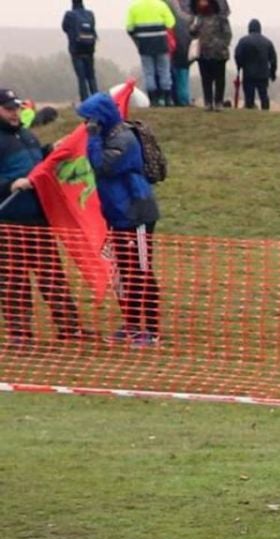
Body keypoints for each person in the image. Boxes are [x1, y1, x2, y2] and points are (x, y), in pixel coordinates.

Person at [0, 85, 84, 349]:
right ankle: (20, 335)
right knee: (14, 280)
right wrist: (10, 185)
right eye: (9, 109)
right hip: (9, 220)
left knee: (52, 275)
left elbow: (36, 164)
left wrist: (51, 150)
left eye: (17, 108)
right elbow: (15, 175)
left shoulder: (27, 136)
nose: (14, 114)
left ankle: (70, 328)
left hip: (39, 217)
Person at [78, 89, 162, 347]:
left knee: (140, 271)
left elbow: (101, 165)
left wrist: (92, 138)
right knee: (124, 272)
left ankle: (151, 328)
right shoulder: (108, 137)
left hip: (135, 214)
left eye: (89, 119)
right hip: (118, 213)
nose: (86, 125)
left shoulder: (123, 140)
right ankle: (132, 324)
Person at [126, 0, 177, 108]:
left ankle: (153, 100)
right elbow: (171, 23)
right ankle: (167, 98)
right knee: (164, 70)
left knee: (148, 72)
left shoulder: (134, 7)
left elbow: (129, 28)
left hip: (144, 44)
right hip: (161, 42)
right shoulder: (161, 5)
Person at [190, 0, 232, 111]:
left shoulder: (221, 18)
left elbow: (227, 34)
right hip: (203, 54)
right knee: (206, 80)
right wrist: (193, 26)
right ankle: (208, 102)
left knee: (219, 80)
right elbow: (192, 33)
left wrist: (221, 45)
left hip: (219, 54)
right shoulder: (198, 18)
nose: (202, 4)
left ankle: (218, 102)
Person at [61, 1, 100, 103]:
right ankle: (97, 100)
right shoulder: (90, 14)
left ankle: (86, 102)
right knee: (91, 76)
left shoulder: (69, 15)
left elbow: (64, 28)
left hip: (76, 50)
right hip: (89, 49)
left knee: (81, 78)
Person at [233, 18, 276, 110]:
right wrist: (272, 73)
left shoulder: (243, 41)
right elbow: (273, 59)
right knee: (264, 96)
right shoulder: (267, 42)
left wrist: (240, 66)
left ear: (249, 29)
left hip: (248, 74)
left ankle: (250, 113)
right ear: (260, 29)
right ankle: (265, 113)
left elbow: (237, 55)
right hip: (263, 74)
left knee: (249, 98)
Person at [169, 0, 193, 106]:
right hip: (185, 46)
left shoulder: (171, 8)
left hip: (175, 46)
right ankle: (183, 100)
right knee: (183, 75)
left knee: (176, 74)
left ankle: (178, 99)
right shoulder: (189, 8)